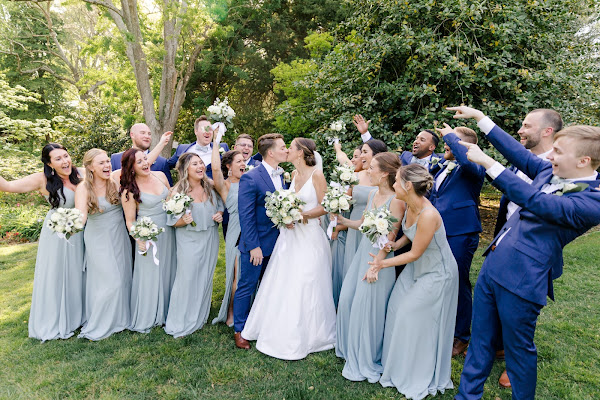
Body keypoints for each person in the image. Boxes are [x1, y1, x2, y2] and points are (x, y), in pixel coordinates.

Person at [447, 105, 600, 400]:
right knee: (479, 343)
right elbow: (519, 155)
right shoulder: (548, 170)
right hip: (493, 266)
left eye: (557, 152)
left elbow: (539, 203)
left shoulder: (593, 201)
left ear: (583, 160)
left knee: (518, 354)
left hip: (522, 280)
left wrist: (489, 163)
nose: (549, 156)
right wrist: (481, 119)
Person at [365, 164, 459, 398]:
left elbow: (416, 252)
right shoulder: (409, 205)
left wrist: (381, 263)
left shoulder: (429, 215)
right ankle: (395, 367)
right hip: (416, 269)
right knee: (396, 309)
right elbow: (409, 234)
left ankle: (415, 373)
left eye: (396, 181)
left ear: (408, 186)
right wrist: (394, 245)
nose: (394, 184)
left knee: (410, 314)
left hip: (437, 273)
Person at [241, 138, 336, 359]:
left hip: (310, 237)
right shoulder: (292, 176)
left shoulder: (317, 175)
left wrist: (300, 215)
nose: (287, 150)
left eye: (290, 148)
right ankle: (276, 328)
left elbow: (325, 206)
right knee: (284, 280)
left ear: (301, 152)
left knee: (307, 281)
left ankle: (312, 334)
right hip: (290, 237)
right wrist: (286, 215)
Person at [490, 108, 563, 387]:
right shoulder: (519, 161)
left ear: (547, 131)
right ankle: (497, 345)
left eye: (525, 126)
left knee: (521, 310)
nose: (520, 131)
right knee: (496, 299)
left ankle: (514, 361)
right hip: (504, 239)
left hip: (534, 250)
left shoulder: (558, 168)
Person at [0, 143, 84, 341]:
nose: (65, 161)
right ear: (49, 163)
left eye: (66, 156)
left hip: (80, 232)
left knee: (78, 272)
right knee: (57, 274)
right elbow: (8, 186)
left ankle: (77, 316)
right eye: (58, 159)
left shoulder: (80, 173)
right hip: (57, 233)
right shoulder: (42, 179)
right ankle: (55, 319)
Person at [335, 152, 404, 383]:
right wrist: (343, 221)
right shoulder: (374, 192)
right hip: (362, 253)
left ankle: (366, 355)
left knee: (367, 308)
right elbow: (363, 224)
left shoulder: (397, 201)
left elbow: (390, 238)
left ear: (385, 173)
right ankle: (348, 349)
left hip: (379, 259)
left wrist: (376, 265)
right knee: (346, 300)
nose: (367, 170)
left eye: (372, 167)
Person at [429, 125, 485, 357]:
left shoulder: (476, 166)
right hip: (436, 230)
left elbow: (464, 156)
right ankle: (440, 325)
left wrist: (452, 138)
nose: (446, 145)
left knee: (458, 281)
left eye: (452, 142)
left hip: (460, 232)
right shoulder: (441, 164)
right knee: (438, 278)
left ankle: (461, 336)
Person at [232, 133, 289, 349]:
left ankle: (263, 324)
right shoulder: (251, 177)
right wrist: (254, 246)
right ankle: (240, 329)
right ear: (271, 152)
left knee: (268, 286)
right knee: (246, 286)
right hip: (255, 244)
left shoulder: (282, 176)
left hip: (278, 242)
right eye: (283, 147)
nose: (286, 150)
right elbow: (245, 215)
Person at [164, 153, 224, 337]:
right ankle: (180, 318)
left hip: (210, 237)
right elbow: (170, 220)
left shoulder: (210, 187)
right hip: (188, 240)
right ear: (185, 169)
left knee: (205, 275)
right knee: (187, 278)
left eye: (200, 163)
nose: (200, 167)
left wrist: (219, 214)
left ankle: (199, 314)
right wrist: (182, 220)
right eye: (194, 164)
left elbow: (221, 205)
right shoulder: (176, 192)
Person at [75, 148, 132, 341]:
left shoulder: (115, 182)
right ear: (90, 167)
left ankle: (120, 320)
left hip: (118, 235)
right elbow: (81, 216)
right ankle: (101, 322)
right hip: (97, 238)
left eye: (108, 161)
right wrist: (70, 225)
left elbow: (141, 162)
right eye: (101, 163)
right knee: (110, 281)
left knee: (123, 277)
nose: (107, 165)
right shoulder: (84, 188)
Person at [120, 148, 177, 333]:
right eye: (139, 162)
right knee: (150, 274)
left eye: (145, 159)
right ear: (131, 167)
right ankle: (150, 313)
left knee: (169, 268)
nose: (145, 163)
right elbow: (130, 220)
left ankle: (169, 310)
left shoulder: (160, 175)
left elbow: (170, 199)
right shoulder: (129, 191)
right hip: (149, 235)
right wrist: (138, 237)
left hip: (169, 231)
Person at [211, 133, 246, 326]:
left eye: (244, 161)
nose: (243, 163)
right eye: (239, 161)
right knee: (236, 274)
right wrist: (216, 141)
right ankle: (231, 312)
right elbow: (215, 168)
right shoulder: (225, 186)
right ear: (229, 166)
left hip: (252, 230)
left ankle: (248, 309)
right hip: (235, 232)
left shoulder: (250, 181)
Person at [341, 139, 387, 286]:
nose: (361, 157)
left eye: (365, 152)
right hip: (355, 225)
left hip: (375, 228)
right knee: (351, 266)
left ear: (378, 155)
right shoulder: (356, 176)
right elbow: (346, 202)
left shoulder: (384, 180)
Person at [353, 114, 443, 174]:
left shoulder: (441, 162)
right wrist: (365, 133)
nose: (416, 141)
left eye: (422, 140)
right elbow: (382, 155)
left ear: (432, 147)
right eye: (416, 138)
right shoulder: (405, 157)